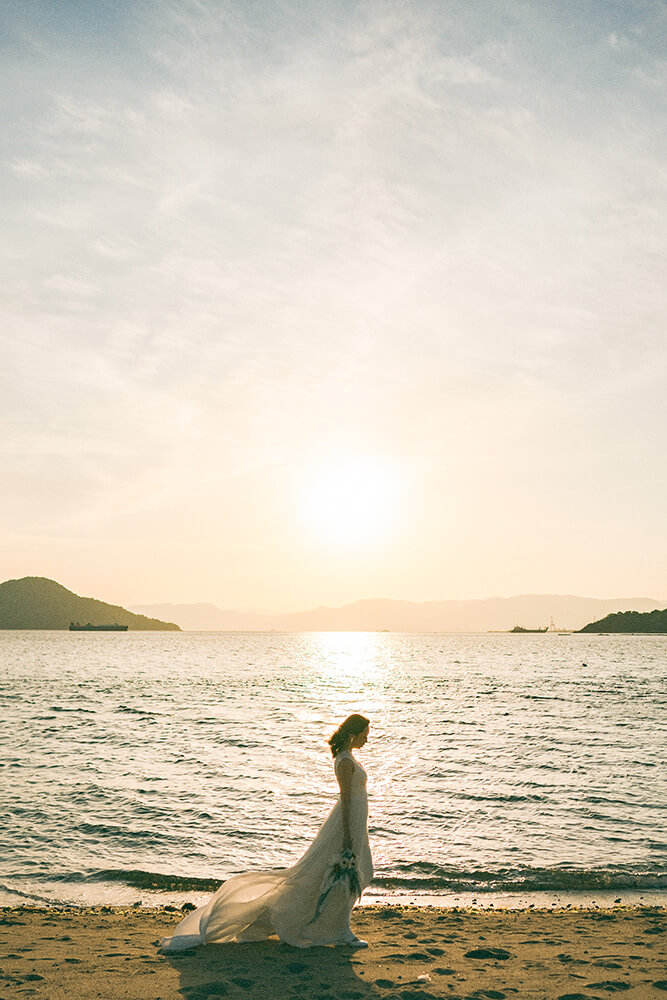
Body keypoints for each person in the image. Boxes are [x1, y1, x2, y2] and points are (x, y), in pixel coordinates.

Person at [161, 714, 373, 950]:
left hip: (354, 823)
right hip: (345, 824)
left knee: (351, 874)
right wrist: (346, 833)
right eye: (364, 734)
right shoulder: (344, 761)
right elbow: (345, 799)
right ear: (353, 734)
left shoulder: (349, 758)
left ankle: (334, 927)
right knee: (340, 876)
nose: (366, 739)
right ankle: (340, 931)